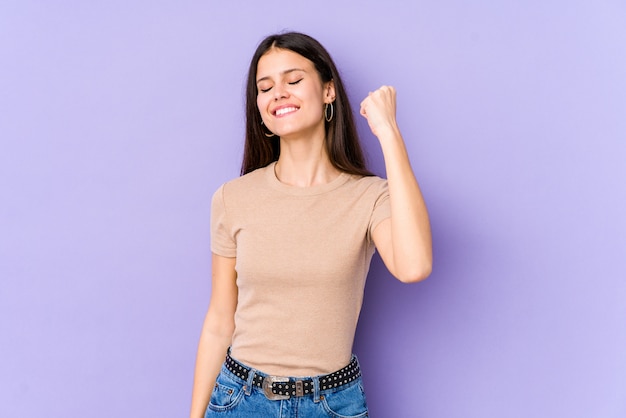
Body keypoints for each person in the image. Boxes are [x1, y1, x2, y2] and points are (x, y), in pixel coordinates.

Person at [190, 31, 432, 417]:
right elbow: (220, 319)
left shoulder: (370, 196)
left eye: (294, 79)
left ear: (328, 91)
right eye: (265, 87)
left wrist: (389, 132)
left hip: (333, 403)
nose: (278, 93)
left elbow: (414, 266)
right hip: (241, 399)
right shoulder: (232, 198)